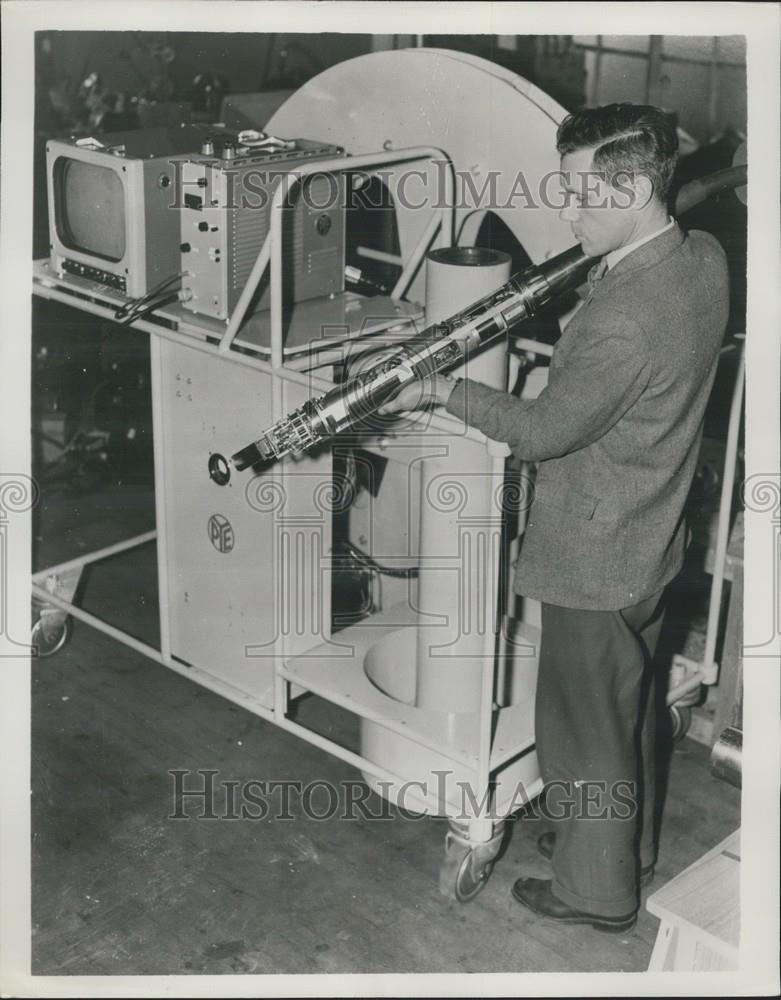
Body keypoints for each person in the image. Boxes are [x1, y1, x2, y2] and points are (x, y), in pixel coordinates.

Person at [380, 104, 730, 931]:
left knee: (581, 732)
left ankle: (596, 893)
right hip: (650, 533)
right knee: (625, 712)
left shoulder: (624, 314)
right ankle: (609, 847)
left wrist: (437, 387)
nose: (564, 211)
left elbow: (542, 433)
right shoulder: (702, 260)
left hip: (593, 551)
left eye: (578, 192)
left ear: (638, 187)